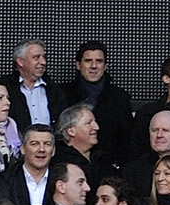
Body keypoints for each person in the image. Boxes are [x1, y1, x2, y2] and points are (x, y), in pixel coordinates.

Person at [60, 39, 139, 168]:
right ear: (78, 65)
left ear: (105, 66)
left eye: (99, 61)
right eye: (88, 61)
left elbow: (127, 138)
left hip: (109, 167)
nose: (94, 66)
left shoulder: (119, 97)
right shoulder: (62, 94)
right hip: (70, 166)